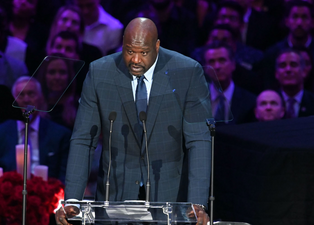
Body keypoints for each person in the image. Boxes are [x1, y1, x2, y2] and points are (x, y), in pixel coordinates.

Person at [55, 17, 210, 225]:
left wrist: (197, 202)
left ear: (157, 46)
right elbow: (84, 139)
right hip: (115, 194)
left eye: (143, 53)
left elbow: (199, 140)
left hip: (168, 195)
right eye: (130, 51)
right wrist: (73, 199)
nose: (135, 60)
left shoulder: (188, 72)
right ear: (122, 44)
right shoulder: (100, 72)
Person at [0, 76, 71, 183]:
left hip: (50, 194)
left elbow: (65, 178)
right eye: (20, 95)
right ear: (13, 100)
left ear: (41, 98)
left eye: (31, 94)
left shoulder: (60, 135)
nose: (26, 100)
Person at [262, 0, 314, 91]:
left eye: (304, 17)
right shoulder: (272, 54)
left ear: (312, 22)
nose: (299, 22)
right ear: (287, 21)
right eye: (295, 17)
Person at [204, 42, 256, 124]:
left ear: (233, 64)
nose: (217, 67)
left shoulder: (249, 101)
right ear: (205, 68)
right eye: (211, 62)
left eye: (222, 60)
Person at [275, 48, 314, 118]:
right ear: (276, 73)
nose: (288, 69)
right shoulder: (267, 104)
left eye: (293, 65)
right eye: (283, 65)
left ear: (304, 71)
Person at [36, 54, 78, 129]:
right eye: (52, 72)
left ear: (69, 76)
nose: (57, 77)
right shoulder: (35, 106)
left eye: (62, 72)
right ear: (44, 76)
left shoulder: (80, 106)